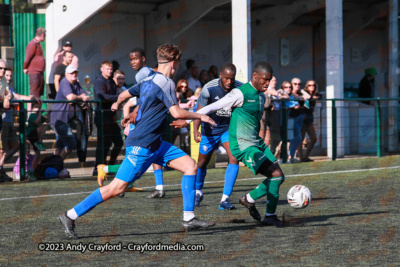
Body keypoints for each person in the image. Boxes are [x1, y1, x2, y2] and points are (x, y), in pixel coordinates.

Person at [57, 43, 216, 238]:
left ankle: (189, 219)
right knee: (116, 187)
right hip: (142, 144)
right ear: (174, 63)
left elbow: (125, 93)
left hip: (155, 143)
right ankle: (70, 215)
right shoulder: (167, 83)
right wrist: (200, 115)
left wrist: (117, 102)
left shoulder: (150, 80)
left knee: (190, 166)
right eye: (178, 63)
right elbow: (175, 112)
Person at [174, 62, 286, 226]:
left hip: (256, 143)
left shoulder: (262, 96)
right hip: (243, 145)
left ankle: (252, 202)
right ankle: (268, 214)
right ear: (255, 76)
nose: (267, 83)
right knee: (275, 174)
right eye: (265, 80)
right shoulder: (240, 93)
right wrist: (188, 118)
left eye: (269, 80)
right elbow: (212, 107)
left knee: (279, 177)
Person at [190, 63, 242, 210]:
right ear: (220, 75)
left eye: (232, 79)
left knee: (234, 158)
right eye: (226, 78)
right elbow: (199, 111)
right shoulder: (209, 88)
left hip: (227, 130)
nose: (229, 82)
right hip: (210, 131)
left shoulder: (240, 88)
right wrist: (195, 130)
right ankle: (198, 192)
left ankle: (225, 199)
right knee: (201, 163)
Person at [0, 64, 40, 182]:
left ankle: (0, 168)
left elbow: (16, 96)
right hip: (2, 120)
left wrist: (32, 98)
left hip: (8, 121)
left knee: (16, 145)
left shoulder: (4, 84)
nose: (8, 77)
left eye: (9, 75)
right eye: (6, 74)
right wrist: (6, 98)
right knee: (2, 149)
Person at [50, 65, 90, 160]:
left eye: (75, 72)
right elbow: (70, 97)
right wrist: (80, 97)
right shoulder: (64, 82)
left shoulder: (75, 83)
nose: (74, 75)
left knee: (59, 143)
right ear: (66, 74)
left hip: (65, 118)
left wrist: (77, 97)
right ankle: (57, 164)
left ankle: (55, 166)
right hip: (59, 118)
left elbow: (84, 94)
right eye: (72, 73)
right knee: (72, 143)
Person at [93, 60, 123, 175]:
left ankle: (109, 165)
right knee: (103, 143)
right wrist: (118, 97)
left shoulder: (111, 81)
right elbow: (103, 96)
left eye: (110, 69)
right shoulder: (98, 81)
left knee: (118, 142)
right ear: (101, 69)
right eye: (107, 69)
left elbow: (109, 97)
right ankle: (98, 168)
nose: (109, 71)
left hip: (110, 116)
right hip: (102, 116)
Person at [287, 78, 310, 163]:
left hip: (299, 118)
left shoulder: (300, 94)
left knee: (297, 138)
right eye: (295, 84)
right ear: (291, 84)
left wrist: (302, 90)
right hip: (290, 118)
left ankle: (291, 156)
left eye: (299, 84)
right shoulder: (289, 93)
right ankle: (288, 156)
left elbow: (308, 97)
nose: (297, 86)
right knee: (291, 138)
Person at [298, 80, 322, 162]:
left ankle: (306, 156)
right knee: (300, 140)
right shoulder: (303, 93)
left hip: (309, 119)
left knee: (314, 138)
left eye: (313, 85)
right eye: (310, 85)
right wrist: (308, 95)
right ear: (306, 86)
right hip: (301, 119)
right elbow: (302, 94)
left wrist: (312, 97)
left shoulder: (315, 94)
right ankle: (301, 158)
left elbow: (320, 96)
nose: (312, 87)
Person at [23, 27, 46, 113]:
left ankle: (36, 114)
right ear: (42, 35)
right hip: (34, 73)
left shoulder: (37, 44)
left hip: (39, 73)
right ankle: (30, 116)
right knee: (32, 95)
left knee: (38, 95)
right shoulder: (32, 44)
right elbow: (27, 58)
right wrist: (25, 68)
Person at [27, 102, 49, 170]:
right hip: (31, 135)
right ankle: (39, 142)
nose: (38, 109)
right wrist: (40, 113)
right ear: (32, 108)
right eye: (36, 107)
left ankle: (32, 170)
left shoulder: (39, 115)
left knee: (38, 154)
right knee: (42, 126)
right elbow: (37, 122)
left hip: (36, 136)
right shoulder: (32, 115)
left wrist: (50, 113)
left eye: (39, 107)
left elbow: (47, 121)